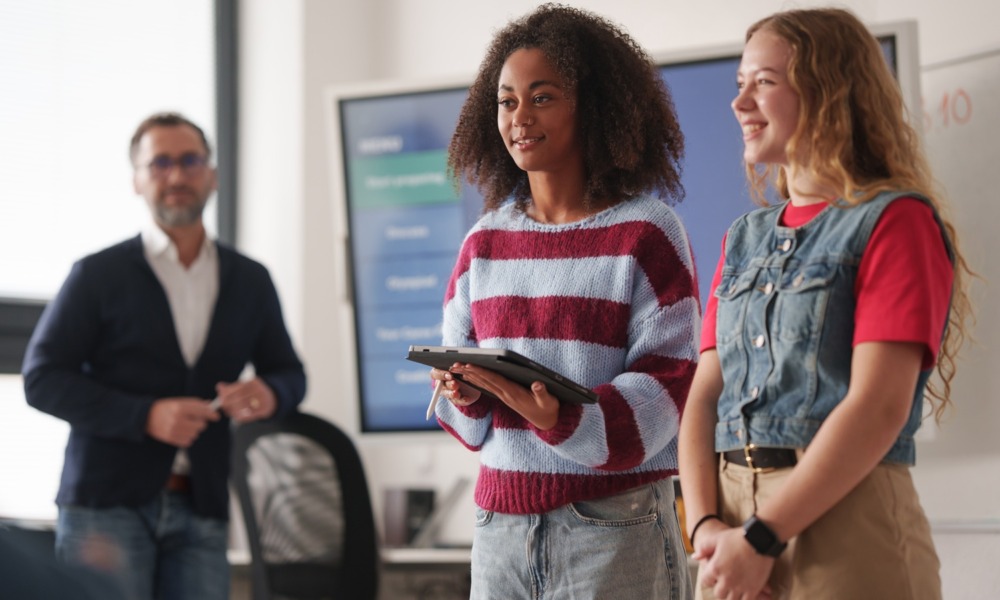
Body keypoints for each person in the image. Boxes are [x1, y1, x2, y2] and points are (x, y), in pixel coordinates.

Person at [677, 8, 973, 599]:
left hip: (844, 528)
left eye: (763, 82)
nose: (739, 104)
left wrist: (763, 538)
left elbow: (878, 407)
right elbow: (704, 396)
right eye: (740, 84)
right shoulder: (744, 237)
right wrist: (708, 528)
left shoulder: (896, 221)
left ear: (829, 92)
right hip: (729, 536)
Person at [430, 4, 699, 599]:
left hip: (614, 525)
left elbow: (669, 383)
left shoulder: (647, 234)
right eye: (506, 101)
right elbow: (464, 409)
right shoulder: (484, 242)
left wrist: (566, 419)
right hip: (498, 529)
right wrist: (465, 392)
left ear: (593, 105)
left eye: (542, 97)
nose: (519, 117)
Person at [22, 112, 307, 600]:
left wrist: (268, 392)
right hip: (104, 510)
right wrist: (146, 415)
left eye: (191, 160)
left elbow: (290, 374)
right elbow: (42, 378)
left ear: (212, 175)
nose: (177, 175)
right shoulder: (97, 275)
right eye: (160, 164)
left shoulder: (249, 279)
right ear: (137, 180)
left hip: (202, 507)